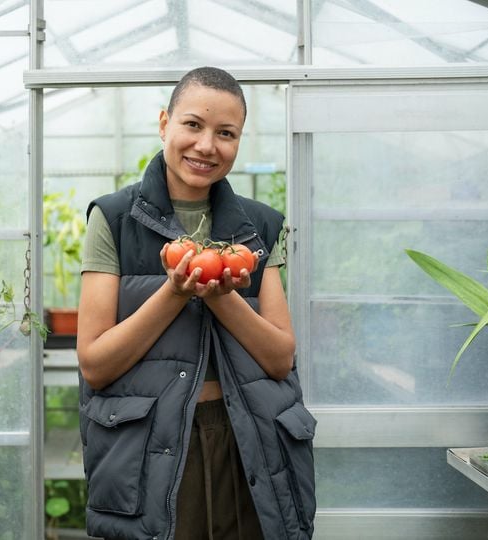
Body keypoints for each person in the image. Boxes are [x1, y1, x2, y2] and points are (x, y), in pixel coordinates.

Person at [76, 66, 316, 540]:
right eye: (192, 125)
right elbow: (95, 364)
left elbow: (278, 358)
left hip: (250, 441)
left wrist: (223, 299)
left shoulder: (262, 227)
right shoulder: (113, 218)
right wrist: (174, 292)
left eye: (226, 133)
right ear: (164, 123)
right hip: (153, 445)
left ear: (239, 141)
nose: (207, 146)